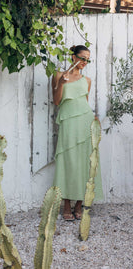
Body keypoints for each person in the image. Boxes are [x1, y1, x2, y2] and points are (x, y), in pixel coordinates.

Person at [52, 45, 103, 221]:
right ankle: (66, 205)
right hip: (68, 121)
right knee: (68, 161)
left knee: (84, 161)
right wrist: (61, 83)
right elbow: (57, 101)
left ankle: (79, 204)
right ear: (73, 57)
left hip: (85, 122)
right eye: (82, 58)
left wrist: (94, 119)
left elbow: (85, 103)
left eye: (87, 59)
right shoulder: (58, 75)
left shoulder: (86, 80)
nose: (84, 62)